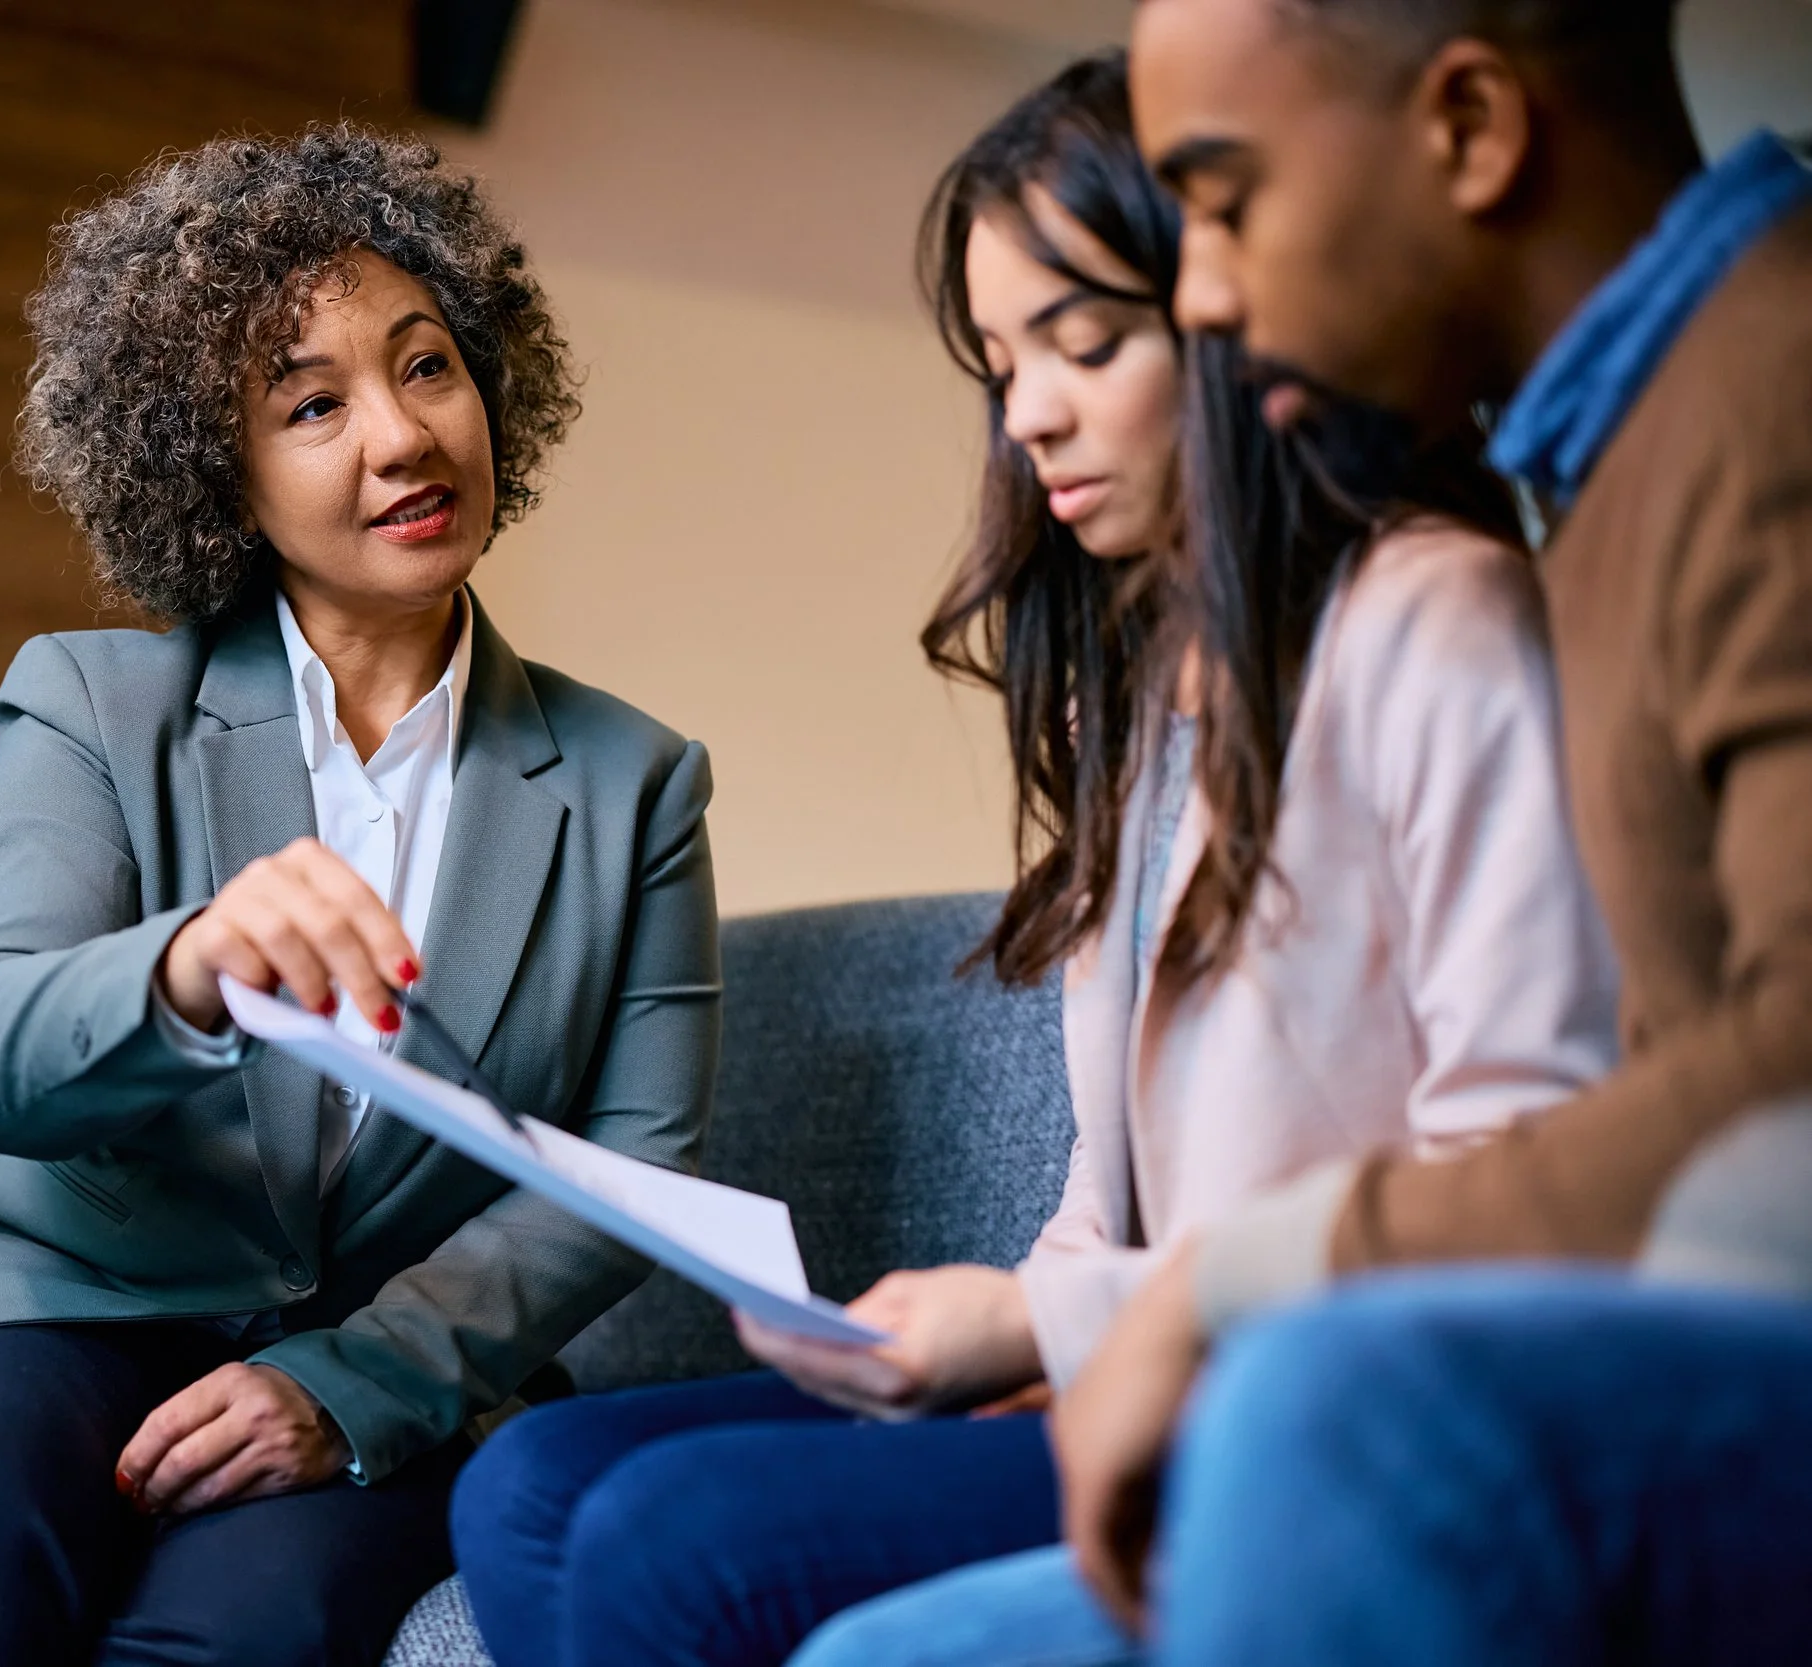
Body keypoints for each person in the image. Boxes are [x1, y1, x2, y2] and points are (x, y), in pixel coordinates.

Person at [445, 54, 1618, 1667]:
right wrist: (999, 1323)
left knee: (673, 1541)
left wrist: (1058, 1323)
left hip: (1313, 1391)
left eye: (1085, 340)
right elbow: (1110, 1185)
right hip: (1129, 1357)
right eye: (1000, 362)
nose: (1029, 415)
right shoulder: (1145, 683)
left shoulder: (1443, 621)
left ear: (1232, 304)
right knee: (523, 1483)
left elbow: (1524, 1161)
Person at [0, 124, 723, 1667]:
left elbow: (629, 1172)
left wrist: (353, 1380)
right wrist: (185, 968)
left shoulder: (638, 782)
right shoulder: (93, 702)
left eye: (428, 366)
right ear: (216, 469)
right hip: (42, 1304)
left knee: (248, 1630)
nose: (403, 436)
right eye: (313, 402)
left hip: (369, 1356)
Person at [1025, 0, 1812, 1659]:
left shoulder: (1777, 395)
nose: (1208, 296)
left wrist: (1235, 1276)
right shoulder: (1614, 467)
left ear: (1468, 128)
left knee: (1334, 1410)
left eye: (1227, 202)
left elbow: (1794, 1084)